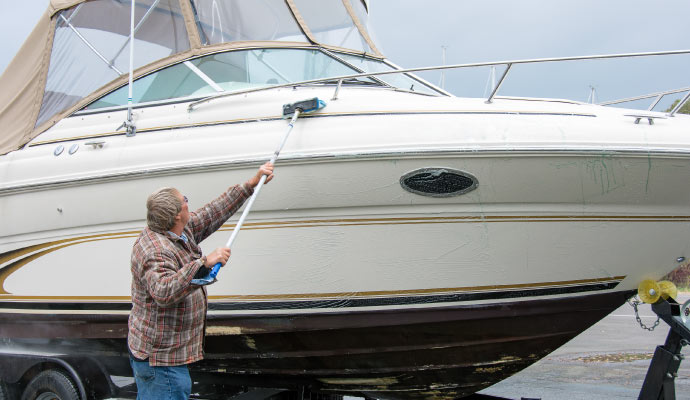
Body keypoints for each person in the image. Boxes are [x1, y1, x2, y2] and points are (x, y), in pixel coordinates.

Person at [127, 162, 274, 400]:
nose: (188, 202)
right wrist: (203, 264)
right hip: (160, 361)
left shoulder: (177, 231)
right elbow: (163, 291)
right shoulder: (155, 250)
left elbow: (210, 213)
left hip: (167, 357)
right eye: (185, 199)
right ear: (177, 214)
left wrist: (249, 186)